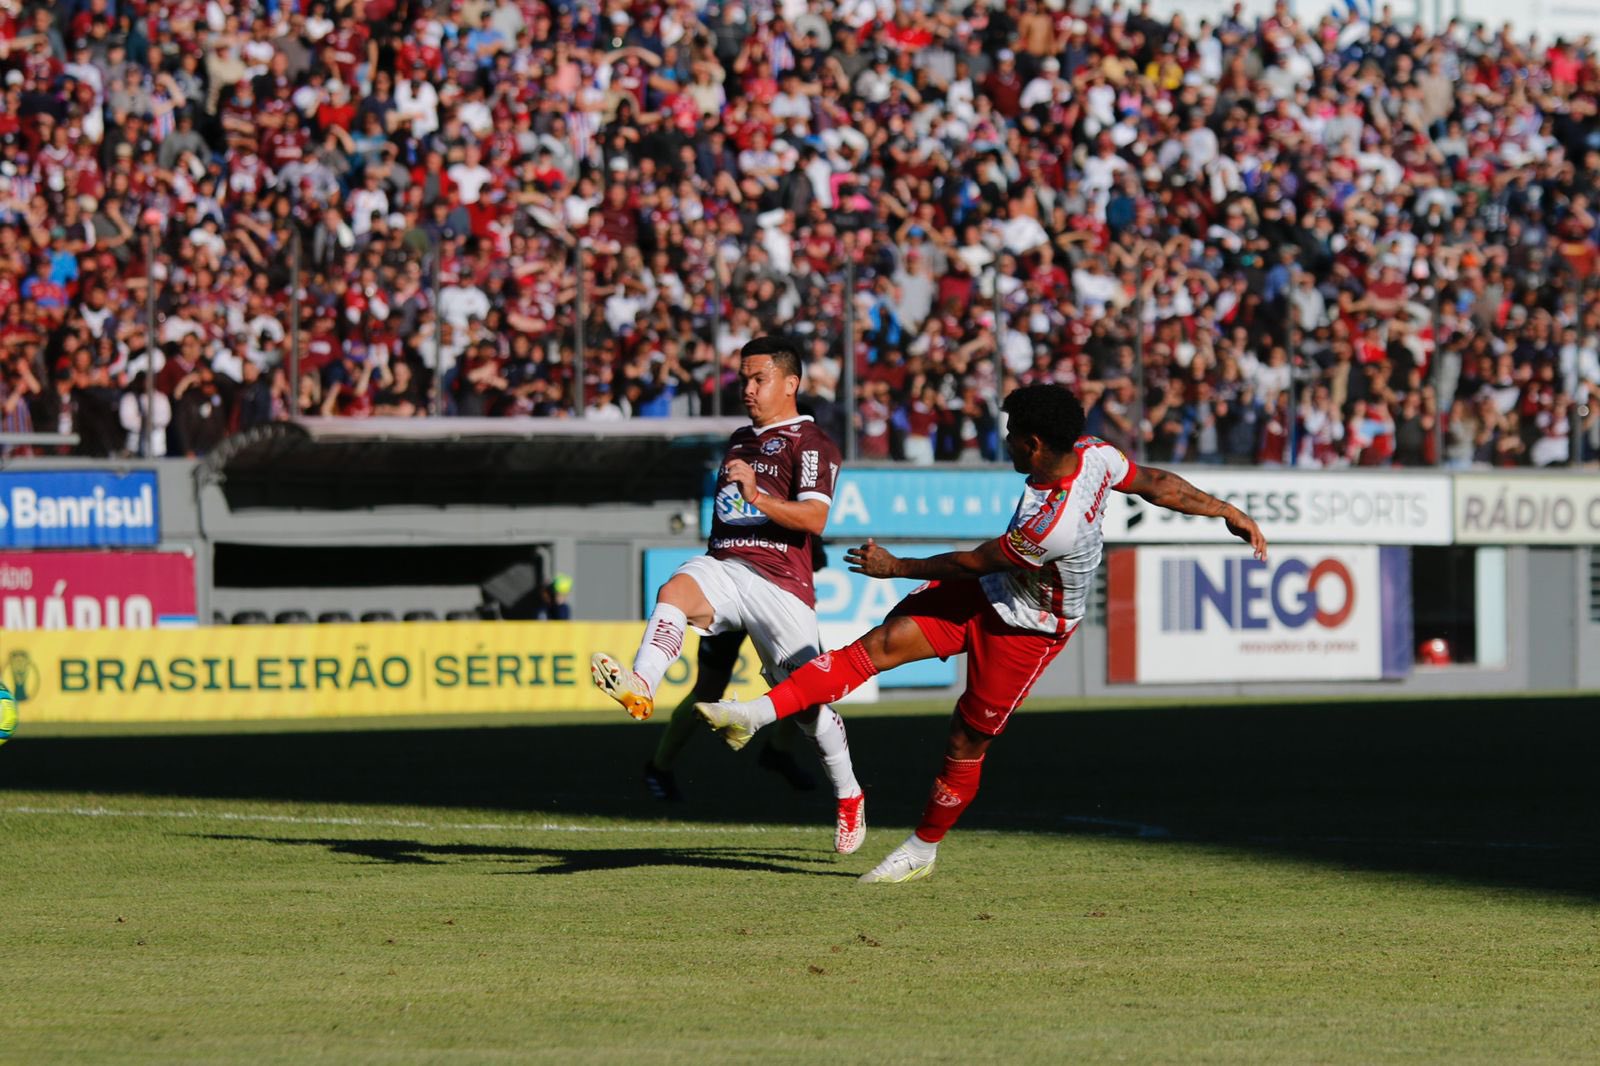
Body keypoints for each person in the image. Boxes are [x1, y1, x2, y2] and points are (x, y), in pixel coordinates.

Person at [697, 383, 1268, 882]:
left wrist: (896, 567)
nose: (1007, 440)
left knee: (966, 741)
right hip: (993, 593)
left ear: (1035, 445)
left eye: (1013, 433)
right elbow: (1156, 482)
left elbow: (975, 561)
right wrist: (1225, 510)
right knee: (879, 645)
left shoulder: (1051, 523)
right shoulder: (1094, 454)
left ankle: (922, 849)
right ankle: (754, 716)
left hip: (1031, 628)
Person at [590, 335, 866, 853]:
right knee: (673, 589)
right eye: (744, 378)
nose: (748, 388)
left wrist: (757, 494)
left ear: (790, 384)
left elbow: (816, 518)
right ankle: (642, 685)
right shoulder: (740, 439)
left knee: (808, 707)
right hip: (725, 566)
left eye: (759, 378)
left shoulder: (812, 442)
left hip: (779, 584)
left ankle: (849, 795)